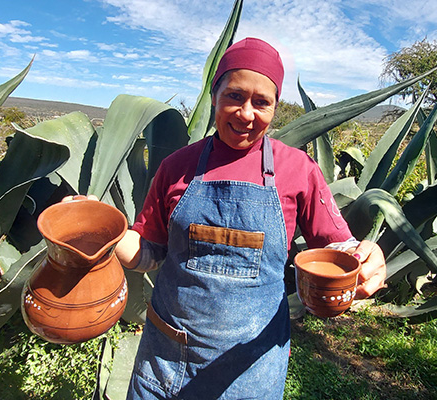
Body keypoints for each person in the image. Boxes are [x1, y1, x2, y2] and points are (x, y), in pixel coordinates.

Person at [111, 37, 386, 399]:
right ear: (214, 95)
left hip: (251, 367)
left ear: (274, 108)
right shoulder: (176, 167)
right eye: (234, 96)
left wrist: (368, 257)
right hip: (167, 358)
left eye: (262, 103)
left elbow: (339, 247)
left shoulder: (298, 170)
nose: (246, 114)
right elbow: (148, 252)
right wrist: (106, 230)